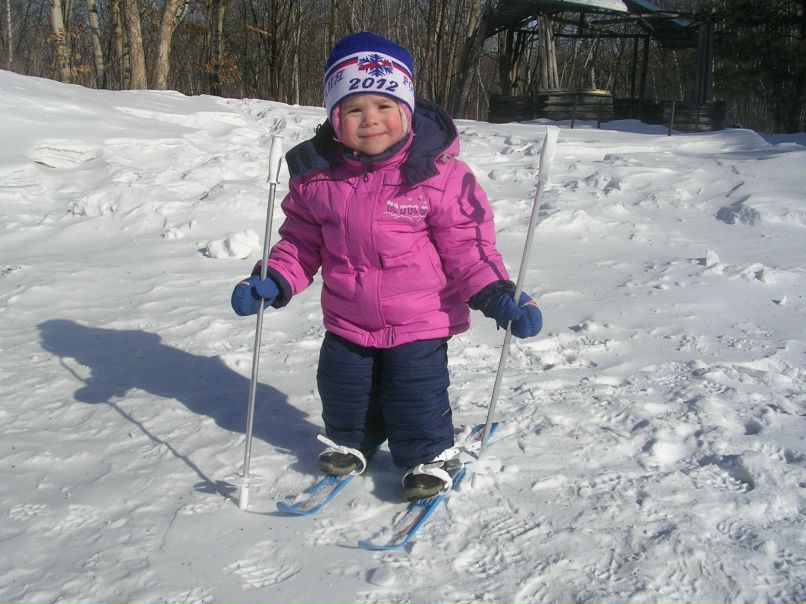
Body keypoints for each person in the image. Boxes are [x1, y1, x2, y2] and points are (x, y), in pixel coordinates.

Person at [230, 32, 542, 501]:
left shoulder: (438, 177)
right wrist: (274, 280)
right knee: (343, 387)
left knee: (415, 393)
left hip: (419, 319)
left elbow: (467, 247)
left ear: (406, 111)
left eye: (383, 106)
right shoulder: (318, 181)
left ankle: (426, 456)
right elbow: (300, 241)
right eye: (354, 109)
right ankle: (352, 442)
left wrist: (498, 294)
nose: (370, 120)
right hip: (348, 317)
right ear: (336, 118)